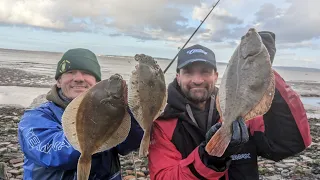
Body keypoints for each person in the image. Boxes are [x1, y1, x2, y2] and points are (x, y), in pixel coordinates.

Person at [148, 31, 312, 180]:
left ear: (216, 76)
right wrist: (209, 159)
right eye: (188, 72)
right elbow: (163, 176)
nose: (197, 80)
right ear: (177, 77)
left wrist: (264, 72)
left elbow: (290, 144)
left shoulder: (245, 113)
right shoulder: (162, 123)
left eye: (205, 71)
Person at [17, 48, 144, 180]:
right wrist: (96, 126)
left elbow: (127, 145)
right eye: (70, 72)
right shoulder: (35, 117)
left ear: (96, 82)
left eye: (86, 73)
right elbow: (50, 154)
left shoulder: (111, 110)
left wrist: (134, 113)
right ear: (59, 81)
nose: (78, 79)